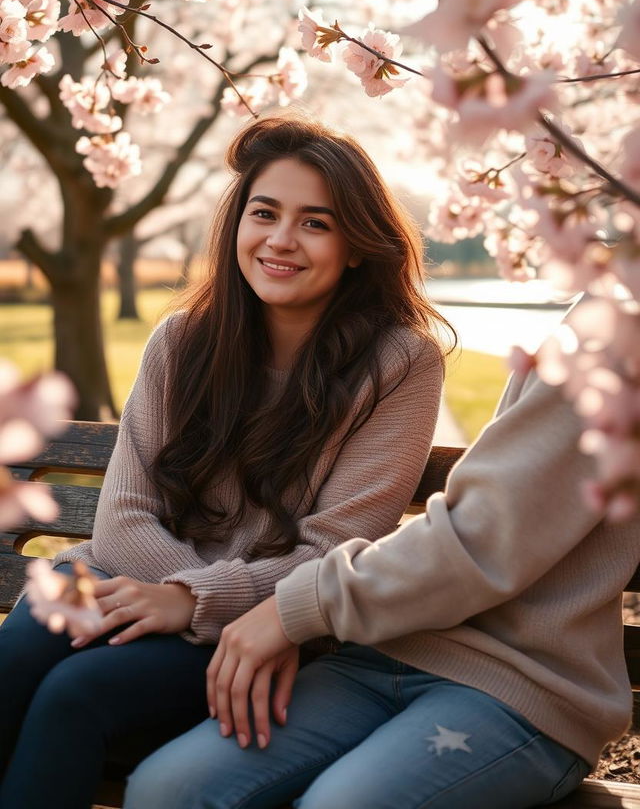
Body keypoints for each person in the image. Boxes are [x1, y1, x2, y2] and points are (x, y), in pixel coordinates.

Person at [0, 114, 451, 809]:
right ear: (236, 223)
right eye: (264, 213)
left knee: (77, 694)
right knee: (21, 648)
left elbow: (334, 550)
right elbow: (122, 517)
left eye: (316, 223)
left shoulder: (400, 362)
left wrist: (192, 602)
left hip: (262, 625)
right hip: (125, 578)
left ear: (358, 245)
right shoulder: (182, 340)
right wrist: (176, 593)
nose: (280, 240)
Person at [124, 363, 640, 809]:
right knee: (166, 789)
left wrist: (294, 609)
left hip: (522, 687)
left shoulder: (616, 338)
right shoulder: (599, 308)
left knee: (342, 805)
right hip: (387, 651)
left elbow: (480, 538)